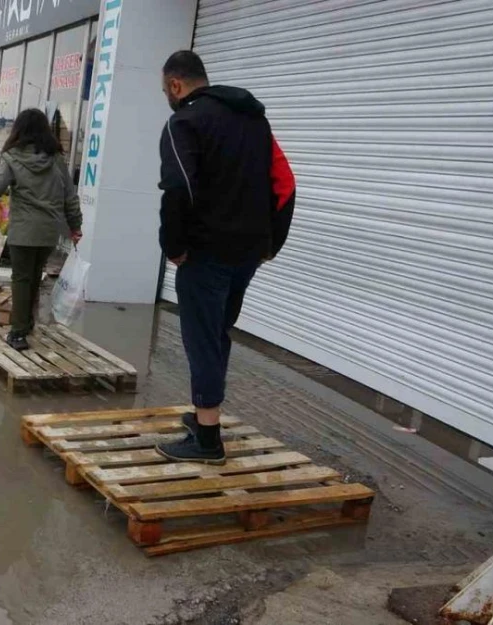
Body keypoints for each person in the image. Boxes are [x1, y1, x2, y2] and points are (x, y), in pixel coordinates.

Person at [154, 50, 296, 465]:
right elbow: (285, 184)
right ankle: (204, 417)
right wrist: (271, 242)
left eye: (165, 89)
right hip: (247, 251)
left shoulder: (184, 122)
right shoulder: (255, 121)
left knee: (202, 338)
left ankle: (207, 440)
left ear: (176, 85)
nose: (167, 96)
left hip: (205, 252)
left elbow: (177, 187)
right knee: (217, 332)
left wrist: (174, 246)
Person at [0, 108, 82, 352]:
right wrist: (75, 226)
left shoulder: (12, 158)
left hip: (24, 231)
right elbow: (70, 196)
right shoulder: (56, 159)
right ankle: (27, 324)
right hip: (49, 232)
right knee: (34, 278)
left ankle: (17, 333)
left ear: (19, 130)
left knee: (21, 280)